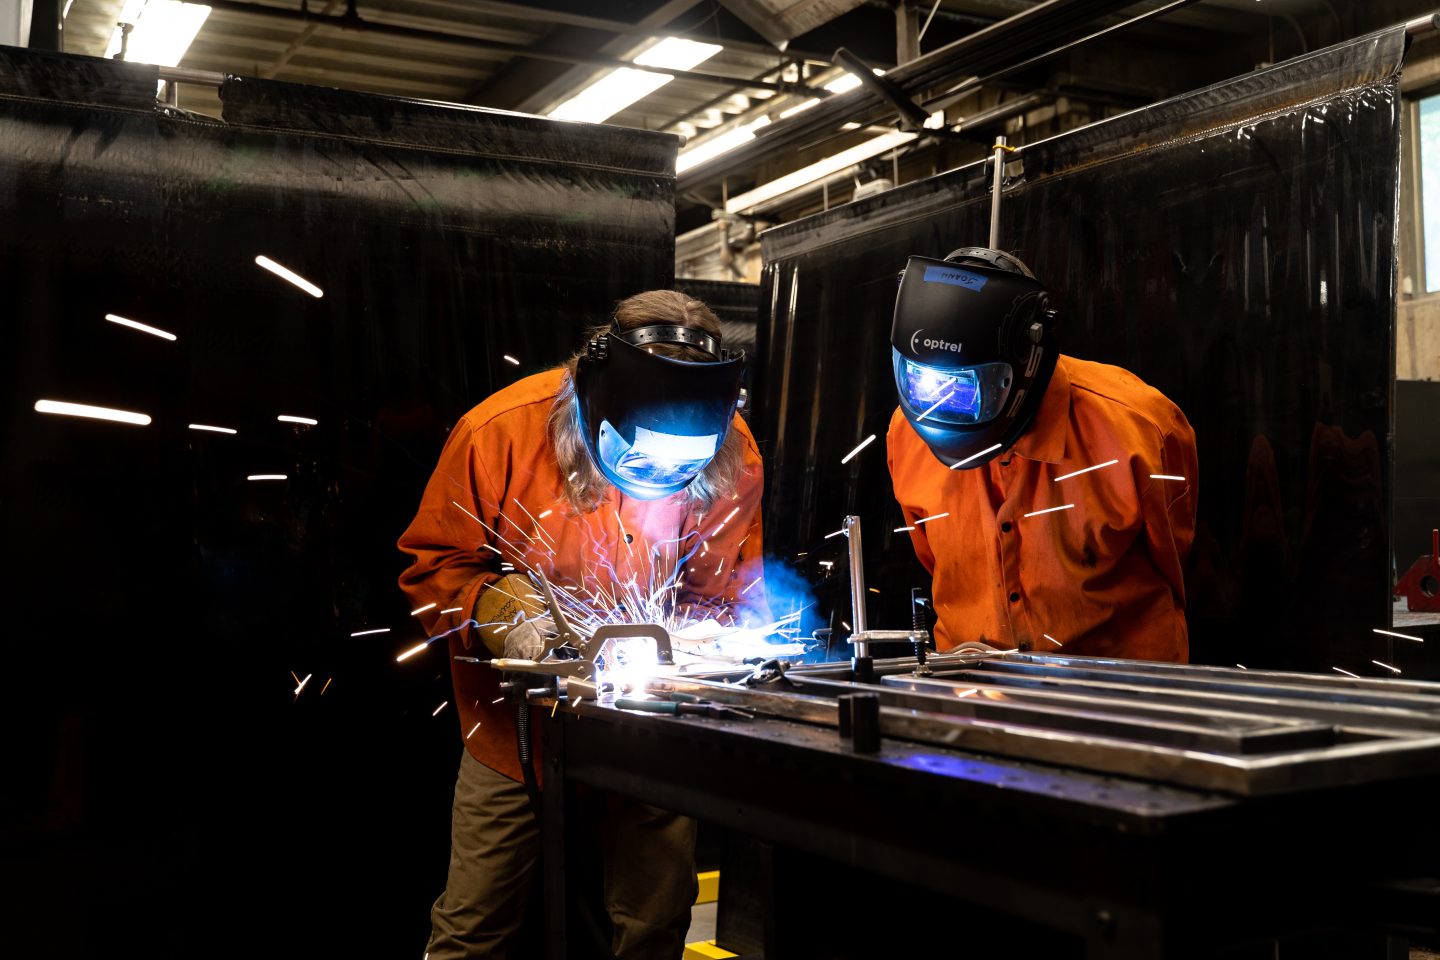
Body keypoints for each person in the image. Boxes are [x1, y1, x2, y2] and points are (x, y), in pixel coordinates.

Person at [397, 290, 766, 959]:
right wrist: (500, 608)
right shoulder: (501, 430)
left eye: (681, 464)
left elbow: (726, 589)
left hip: (657, 720)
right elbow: (433, 567)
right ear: (596, 398)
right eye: (644, 455)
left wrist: (704, 637)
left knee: (656, 921)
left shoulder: (730, 451)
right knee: (474, 927)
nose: (661, 477)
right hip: (516, 731)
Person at [885, 247, 1197, 660]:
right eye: (928, 384)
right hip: (972, 694)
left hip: (1120, 701)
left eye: (971, 386)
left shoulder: (1136, 425)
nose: (948, 399)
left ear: (1027, 357)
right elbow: (930, 557)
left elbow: (1173, 561)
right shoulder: (907, 433)